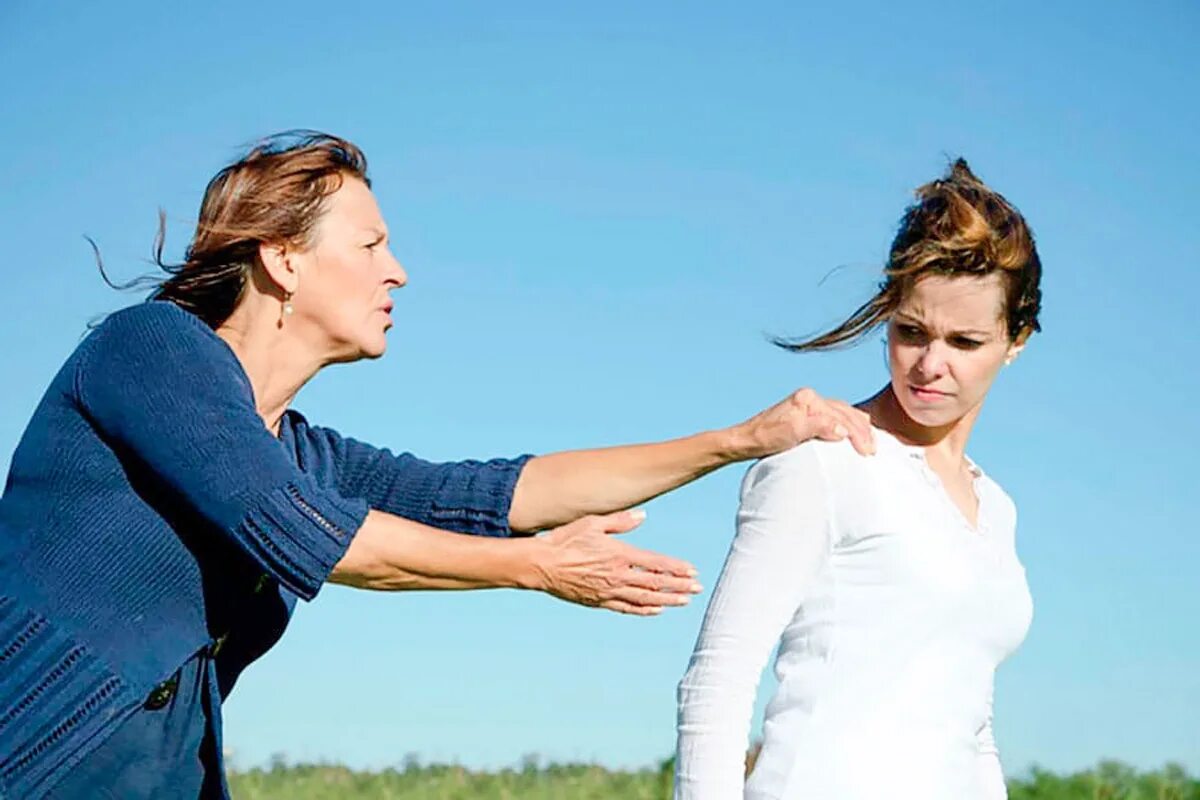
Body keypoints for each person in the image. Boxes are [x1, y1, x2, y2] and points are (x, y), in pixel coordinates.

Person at [0, 131, 874, 799]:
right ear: (283, 257)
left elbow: (493, 495)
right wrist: (537, 568)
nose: (401, 272)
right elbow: (311, 536)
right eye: (372, 245)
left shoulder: (299, 448)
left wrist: (738, 440)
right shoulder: (151, 351)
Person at [674, 159, 1042, 799]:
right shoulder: (825, 461)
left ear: (1017, 339)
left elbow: (970, 725)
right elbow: (719, 678)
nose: (931, 365)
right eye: (911, 332)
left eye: (965, 341)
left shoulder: (997, 510)